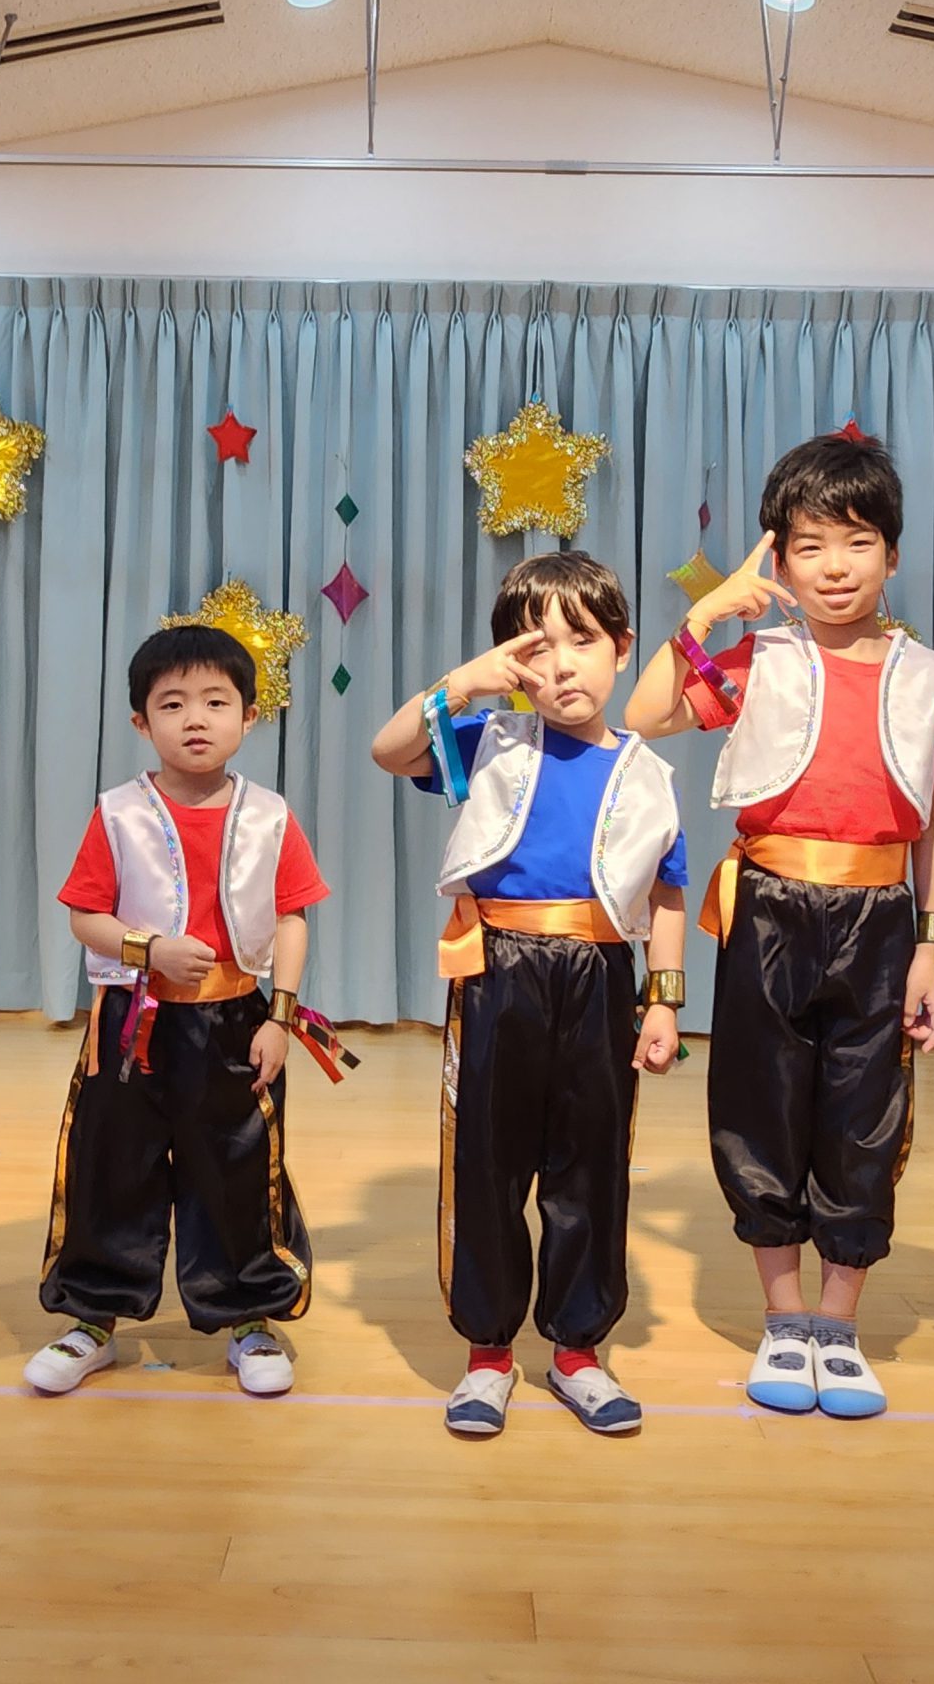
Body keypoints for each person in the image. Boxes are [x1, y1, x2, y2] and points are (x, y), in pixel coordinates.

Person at [623, 432, 934, 1419]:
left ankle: (839, 1325)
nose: (834, 566)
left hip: (883, 920)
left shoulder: (928, 676)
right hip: (770, 909)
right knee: (760, 1107)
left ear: (892, 554)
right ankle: (784, 1322)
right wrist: (704, 615)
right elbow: (643, 716)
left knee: (866, 1120)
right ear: (777, 557)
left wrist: (932, 944)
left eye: (857, 542)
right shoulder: (754, 658)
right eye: (809, 545)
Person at [373, 552, 688, 1438]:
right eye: (534, 649)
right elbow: (389, 751)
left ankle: (578, 1350)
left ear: (621, 647)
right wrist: (463, 686)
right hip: (498, 971)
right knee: (488, 1159)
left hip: (600, 977)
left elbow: (668, 894)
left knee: (591, 1163)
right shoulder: (491, 741)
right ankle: (488, 1353)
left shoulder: (647, 774)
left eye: (580, 641)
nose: (560, 666)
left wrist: (664, 1002)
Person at [27, 624, 328, 1399]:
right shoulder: (118, 812)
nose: (195, 718)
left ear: (249, 716)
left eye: (216, 702)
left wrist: (281, 1018)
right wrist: (148, 948)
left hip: (235, 1021)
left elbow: (292, 916)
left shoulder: (269, 814)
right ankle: (92, 1318)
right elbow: (84, 915)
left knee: (236, 1168)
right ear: (141, 721)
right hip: (133, 1023)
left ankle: (249, 1317)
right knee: (111, 1165)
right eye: (172, 703)